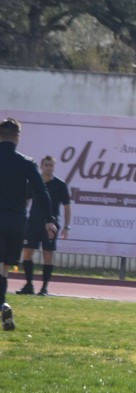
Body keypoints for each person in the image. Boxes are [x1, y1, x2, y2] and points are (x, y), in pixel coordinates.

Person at [0, 118, 57, 331]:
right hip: (16, 222)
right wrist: (50, 220)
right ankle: (2, 304)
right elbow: (42, 192)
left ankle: (2, 304)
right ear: (17, 137)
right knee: (5, 267)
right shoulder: (26, 163)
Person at [17, 155, 72, 296]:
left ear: (54, 167)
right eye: (46, 165)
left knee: (48, 255)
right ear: (41, 166)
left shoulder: (60, 185)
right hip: (33, 223)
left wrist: (66, 227)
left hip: (50, 225)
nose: (49, 168)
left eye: (51, 165)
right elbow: (26, 201)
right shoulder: (34, 182)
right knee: (27, 253)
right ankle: (28, 285)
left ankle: (44, 288)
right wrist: (21, 217)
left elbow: (67, 207)